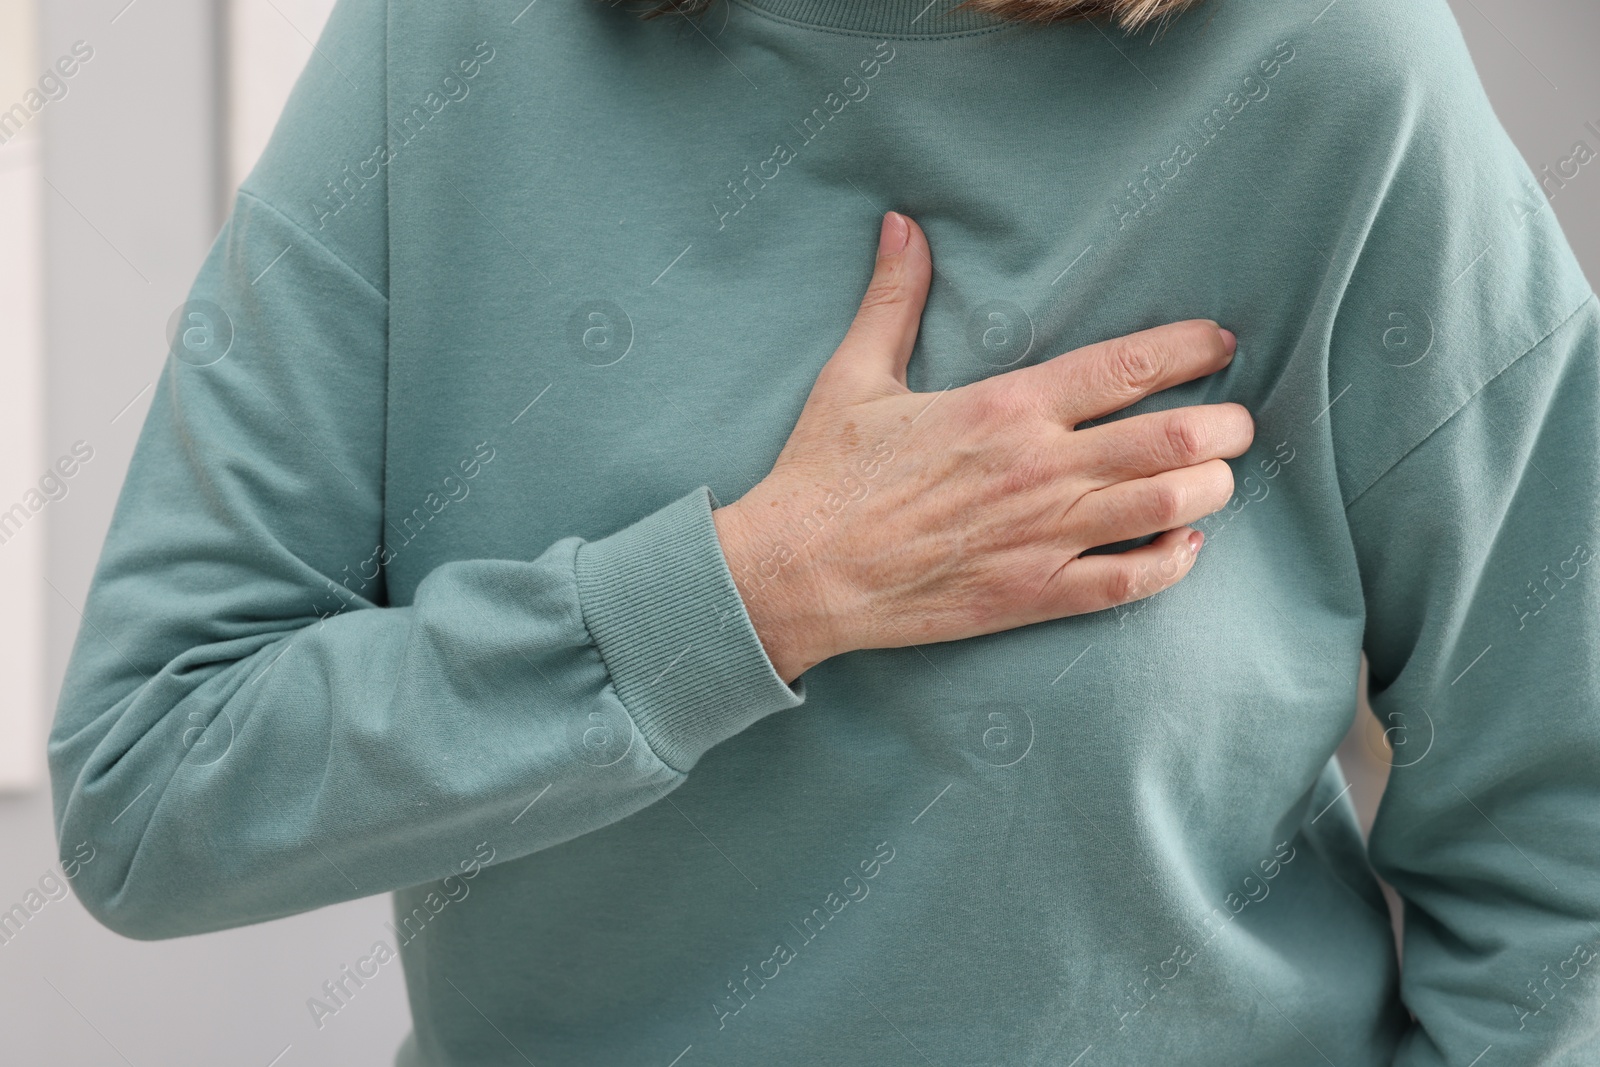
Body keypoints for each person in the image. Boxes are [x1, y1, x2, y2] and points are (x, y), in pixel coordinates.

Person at [49, 0, 1600, 1063]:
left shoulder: (1339, 68)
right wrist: (756, 591)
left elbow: (1565, 843)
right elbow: (152, 781)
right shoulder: (444, 46)